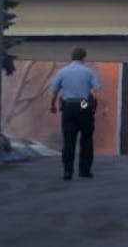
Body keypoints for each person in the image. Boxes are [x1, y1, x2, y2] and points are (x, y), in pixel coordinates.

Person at [48, 46, 101, 180]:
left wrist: (52, 105)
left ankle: (68, 171)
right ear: (83, 58)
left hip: (68, 105)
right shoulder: (89, 72)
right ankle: (84, 170)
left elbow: (54, 90)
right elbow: (97, 91)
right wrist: (104, 107)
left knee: (68, 140)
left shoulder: (63, 72)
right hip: (84, 104)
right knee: (86, 139)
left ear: (71, 57)